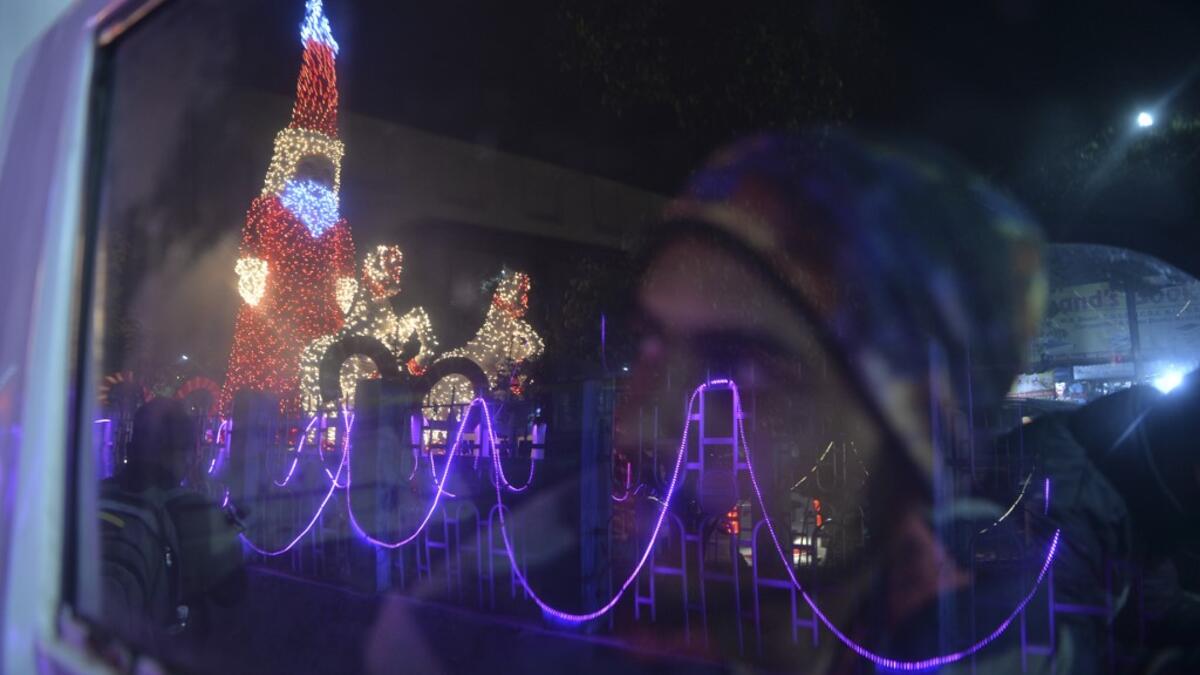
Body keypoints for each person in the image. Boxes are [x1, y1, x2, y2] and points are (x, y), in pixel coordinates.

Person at [99, 398, 245, 657]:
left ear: (132, 446)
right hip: (153, 655)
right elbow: (233, 593)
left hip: (91, 642)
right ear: (181, 452)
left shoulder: (95, 494)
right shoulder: (196, 512)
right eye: (188, 451)